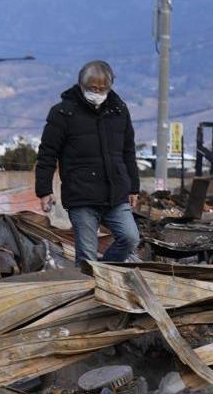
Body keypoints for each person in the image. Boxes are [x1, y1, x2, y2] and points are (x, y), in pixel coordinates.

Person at [35, 60, 141, 263]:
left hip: (115, 192)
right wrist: (44, 190)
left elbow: (128, 151)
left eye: (103, 89)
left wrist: (133, 187)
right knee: (86, 255)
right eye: (93, 88)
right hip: (81, 194)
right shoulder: (63, 113)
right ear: (82, 86)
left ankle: (104, 271)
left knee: (130, 238)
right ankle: (90, 286)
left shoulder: (119, 111)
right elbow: (47, 154)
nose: (98, 92)